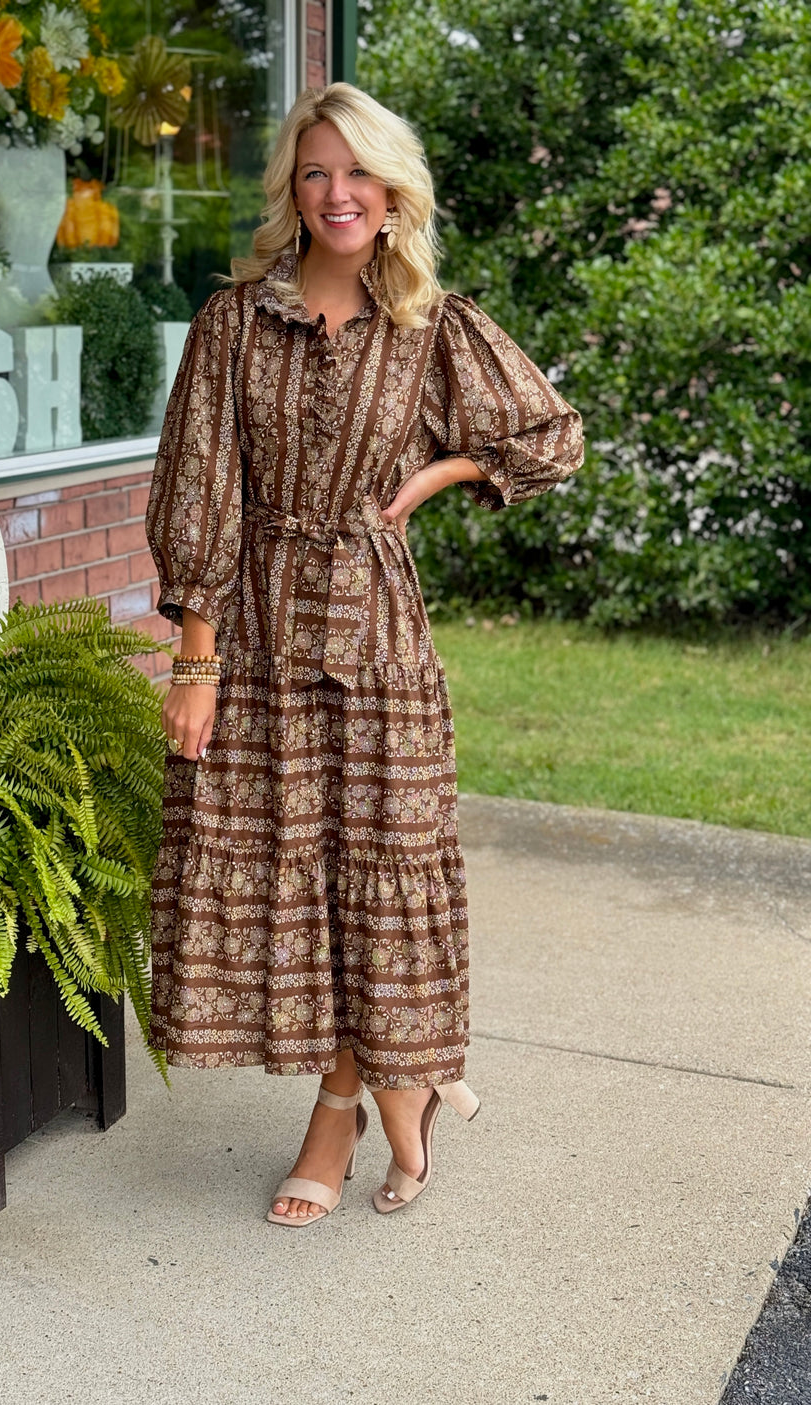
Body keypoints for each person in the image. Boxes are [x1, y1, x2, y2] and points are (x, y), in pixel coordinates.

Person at [144, 82, 584, 1226]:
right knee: (298, 869)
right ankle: (409, 1076)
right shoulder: (235, 319)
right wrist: (197, 661)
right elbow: (204, 486)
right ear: (292, 193)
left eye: (357, 172)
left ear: (393, 191)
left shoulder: (434, 324)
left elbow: (548, 437)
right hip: (259, 634)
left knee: (376, 877)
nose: (337, 193)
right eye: (313, 172)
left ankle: (345, 1104)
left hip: (380, 641)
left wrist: (440, 474)